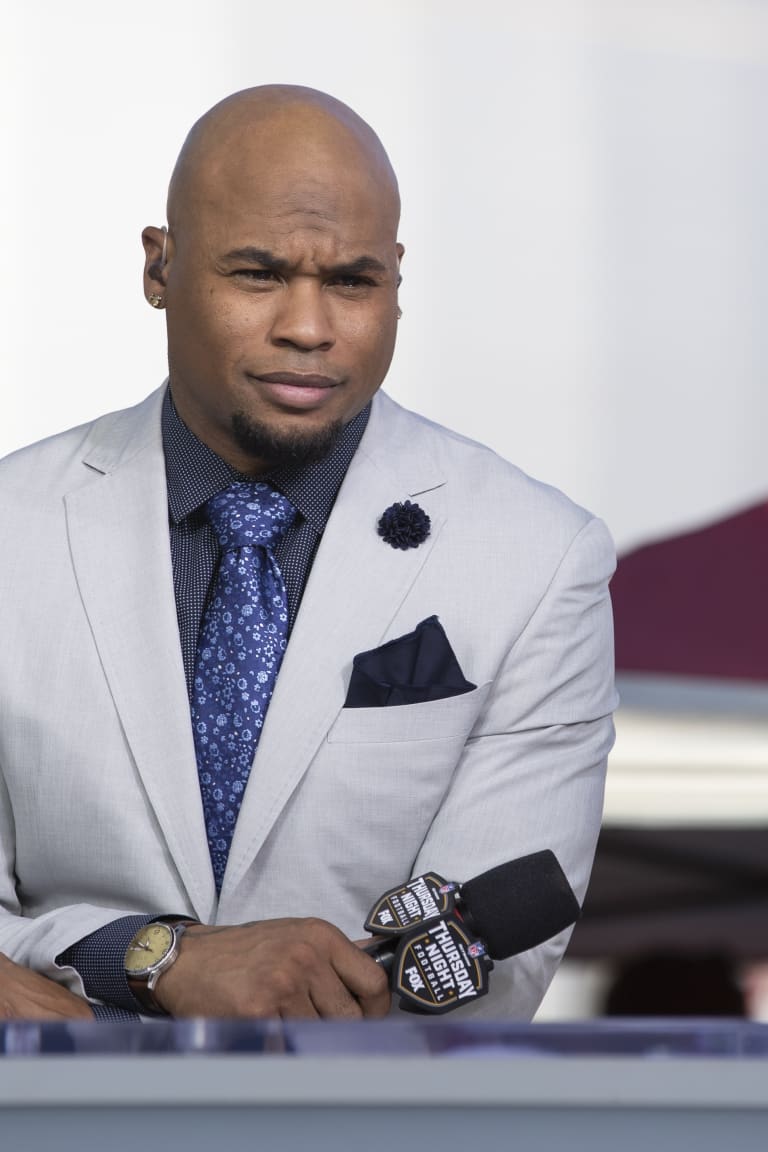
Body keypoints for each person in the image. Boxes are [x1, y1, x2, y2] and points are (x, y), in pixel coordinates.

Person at [0, 85, 616, 1021]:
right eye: (257, 273)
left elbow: (489, 972)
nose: (309, 328)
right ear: (158, 267)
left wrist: (80, 976)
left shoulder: (537, 558)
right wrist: (160, 960)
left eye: (352, 282)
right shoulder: (15, 527)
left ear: (397, 279)